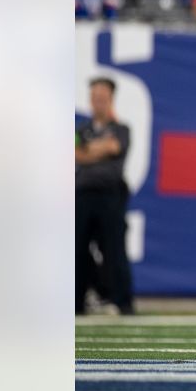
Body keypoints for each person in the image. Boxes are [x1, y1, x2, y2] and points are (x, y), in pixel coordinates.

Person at [76, 77, 134, 315]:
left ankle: (122, 302)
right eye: (94, 97)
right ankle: (78, 301)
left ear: (110, 100)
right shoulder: (81, 130)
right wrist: (95, 150)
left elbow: (113, 147)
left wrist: (89, 150)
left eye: (102, 97)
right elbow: (75, 154)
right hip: (82, 194)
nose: (98, 102)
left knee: (114, 249)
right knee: (77, 248)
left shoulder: (121, 129)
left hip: (110, 195)